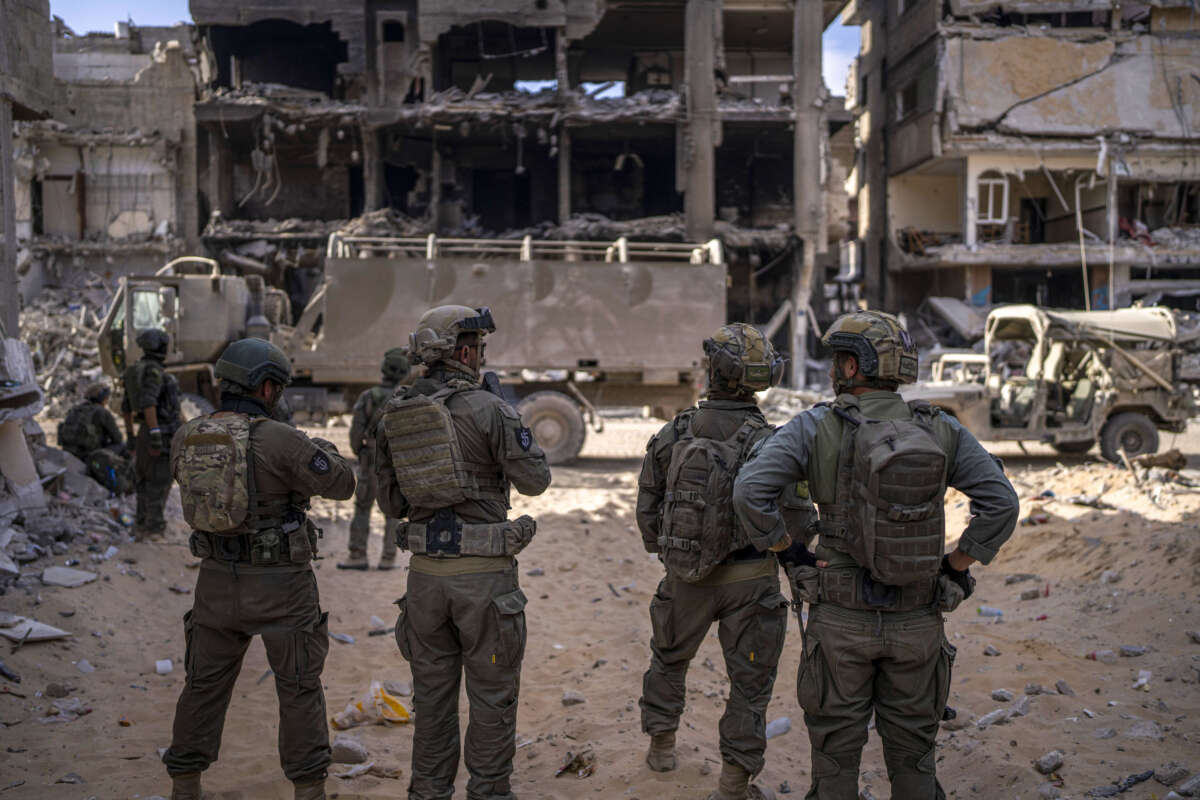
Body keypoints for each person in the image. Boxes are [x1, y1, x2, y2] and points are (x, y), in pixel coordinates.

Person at [732, 311, 1019, 800]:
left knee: (835, 761)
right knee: (914, 760)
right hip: (918, 619)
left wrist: (791, 554)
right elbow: (1002, 505)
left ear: (850, 367)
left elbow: (749, 492)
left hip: (839, 620)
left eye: (837, 360)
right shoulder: (939, 427)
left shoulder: (815, 426)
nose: (832, 370)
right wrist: (956, 566)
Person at [162, 338, 355, 800]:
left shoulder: (187, 436)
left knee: (203, 688)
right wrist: (317, 445)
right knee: (299, 687)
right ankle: (309, 790)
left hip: (214, 584)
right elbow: (343, 483)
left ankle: (186, 785)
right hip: (281, 587)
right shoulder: (279, 439)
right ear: (267, 387)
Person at [375, 305, 551, 800]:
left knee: (432, 698)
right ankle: (489, 791)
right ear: (466, 351)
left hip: (425, 580)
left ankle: (429, 791)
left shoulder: (397, 410)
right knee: (492, 696)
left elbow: (390, 502)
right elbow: (536, 481)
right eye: (479, 347)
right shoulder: (489, 408)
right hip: (484, 581)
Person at [638, 323, 812, 800]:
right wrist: (795, 565)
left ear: (712, 371)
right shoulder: (772, 442)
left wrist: (672, 552)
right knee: (749, 685)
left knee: (669, 660)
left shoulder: (674, 432)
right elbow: (796, 517)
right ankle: (733, 782)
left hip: (685, 579)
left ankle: (662, 747)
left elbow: (647, 506)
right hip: (752, 579)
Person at [338, 346, 410, 570]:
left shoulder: (368, 397)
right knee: (393, 509)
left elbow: (355, 433)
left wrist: (361, 452)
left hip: (371, 459)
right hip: (397, 459)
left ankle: (358, 555)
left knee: (362, 507)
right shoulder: (407, 398)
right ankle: (388, 558)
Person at [121, 328, 183, 539]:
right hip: (160, 433)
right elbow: (149, 403)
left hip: (144, 433)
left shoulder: (133, 371)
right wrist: (156, 436)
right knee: (160, 480)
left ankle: (141, 523)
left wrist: (130, 437)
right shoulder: (154, 372)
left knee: (144, 480)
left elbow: (126, 408)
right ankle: (153, 528)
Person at [57, 381, 134, 494]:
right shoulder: (102, 412)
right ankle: (123, 483)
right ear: (103, 398)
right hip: (90, 455)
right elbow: (117, 438)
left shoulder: (74, 410)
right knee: (124, 447)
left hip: (71, 453)